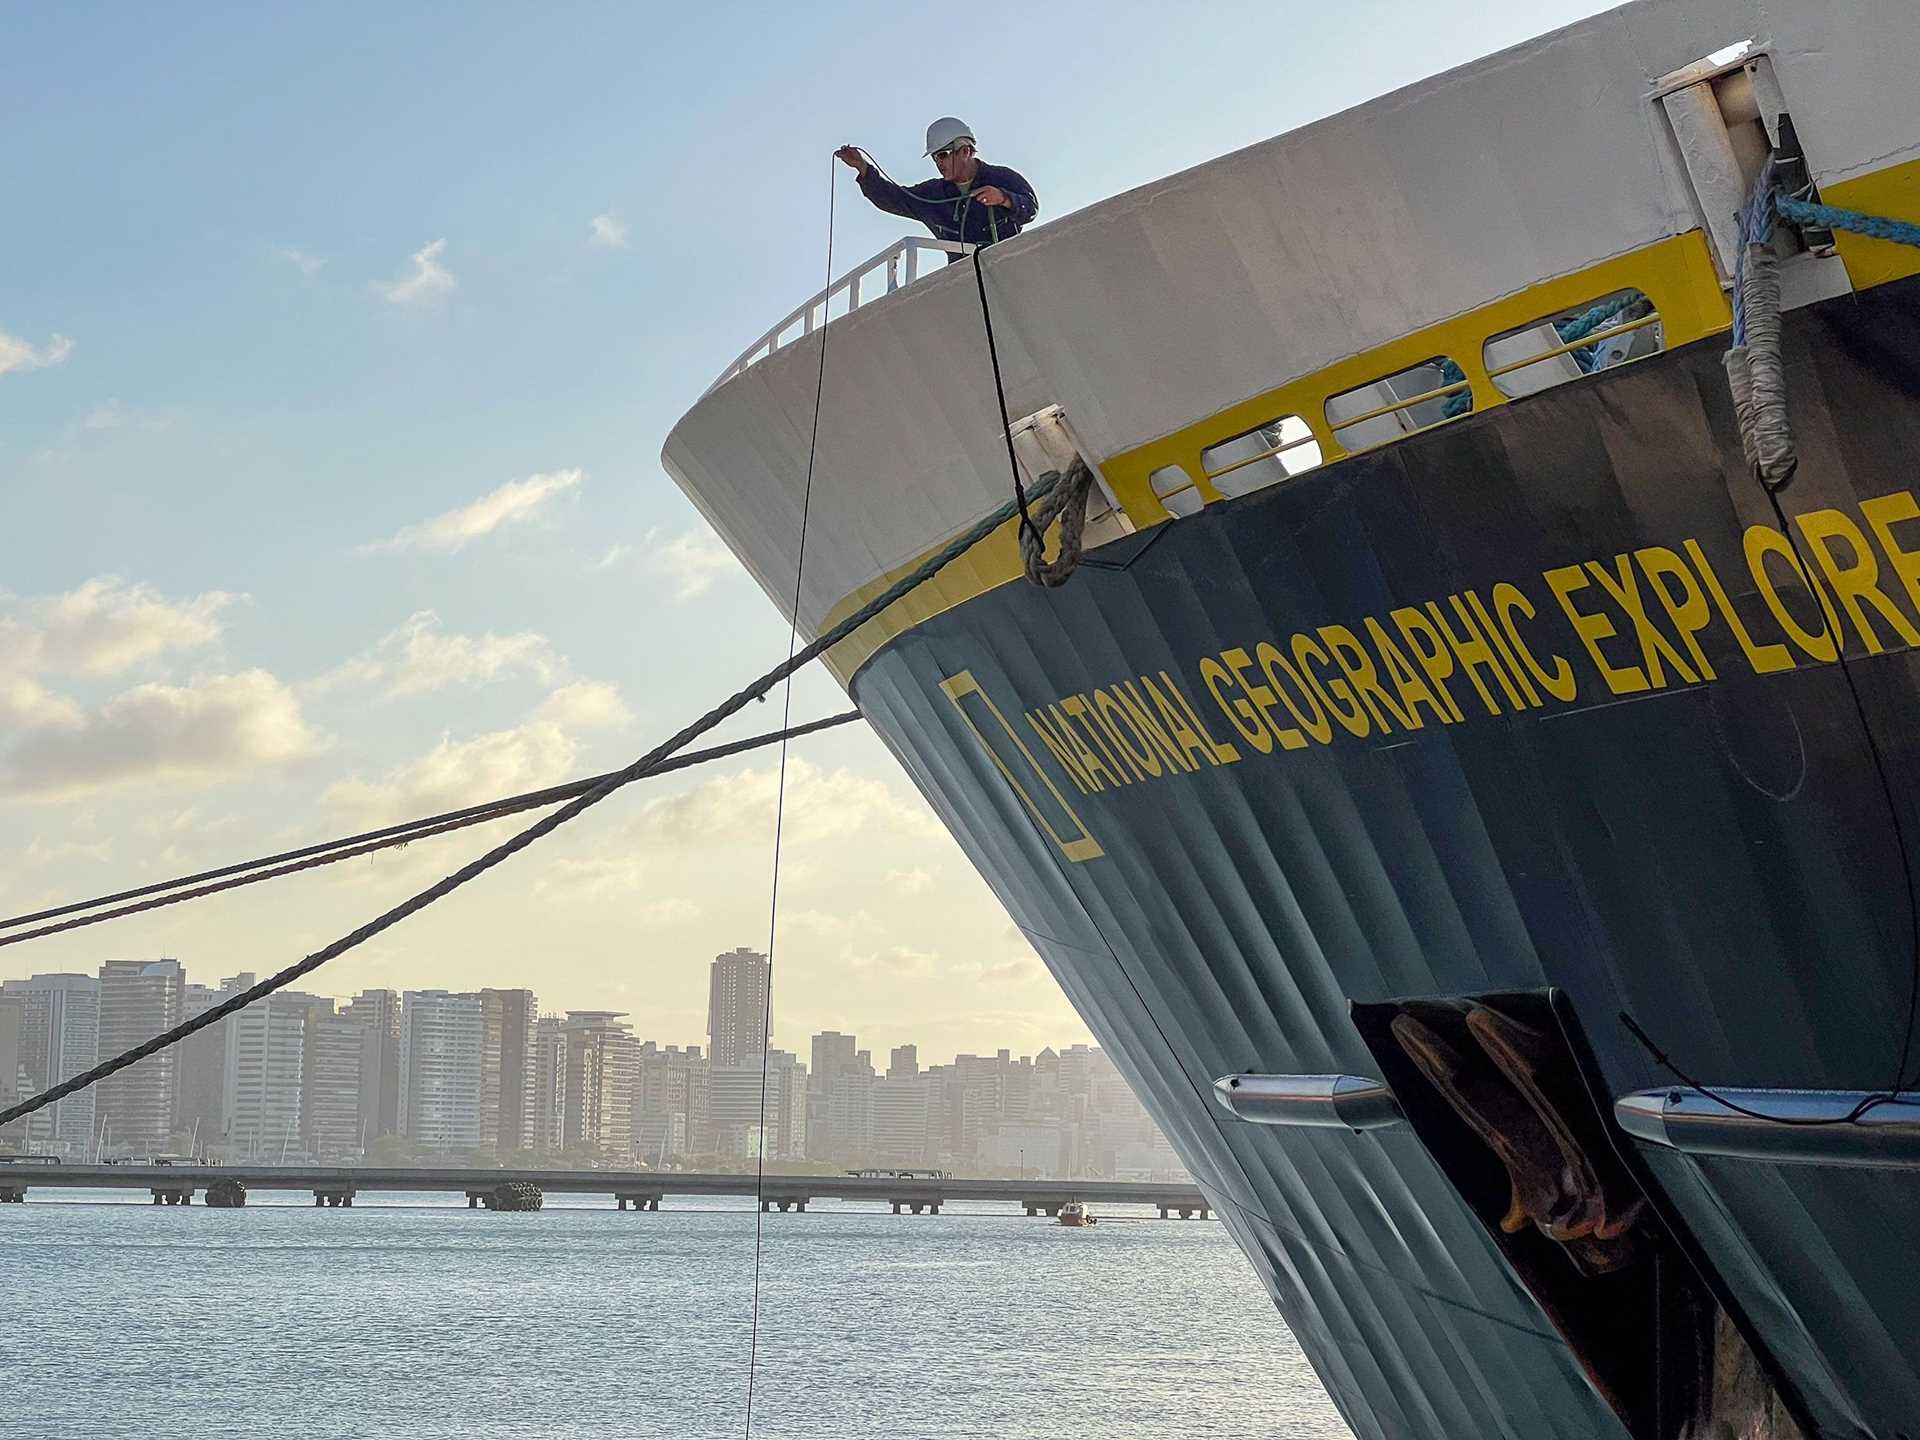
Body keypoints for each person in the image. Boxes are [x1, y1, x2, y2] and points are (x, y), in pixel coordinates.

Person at [835, 117, 1038, 255]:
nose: (938, 163)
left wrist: (1004, 198)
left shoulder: (1002, 177)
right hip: (962, 281)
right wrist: (862, 167)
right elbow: (894, 199)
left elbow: (1031, 208)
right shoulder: (933, 195)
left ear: (965, 151)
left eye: (943, 155)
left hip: (1009, 270)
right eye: (935, 157)